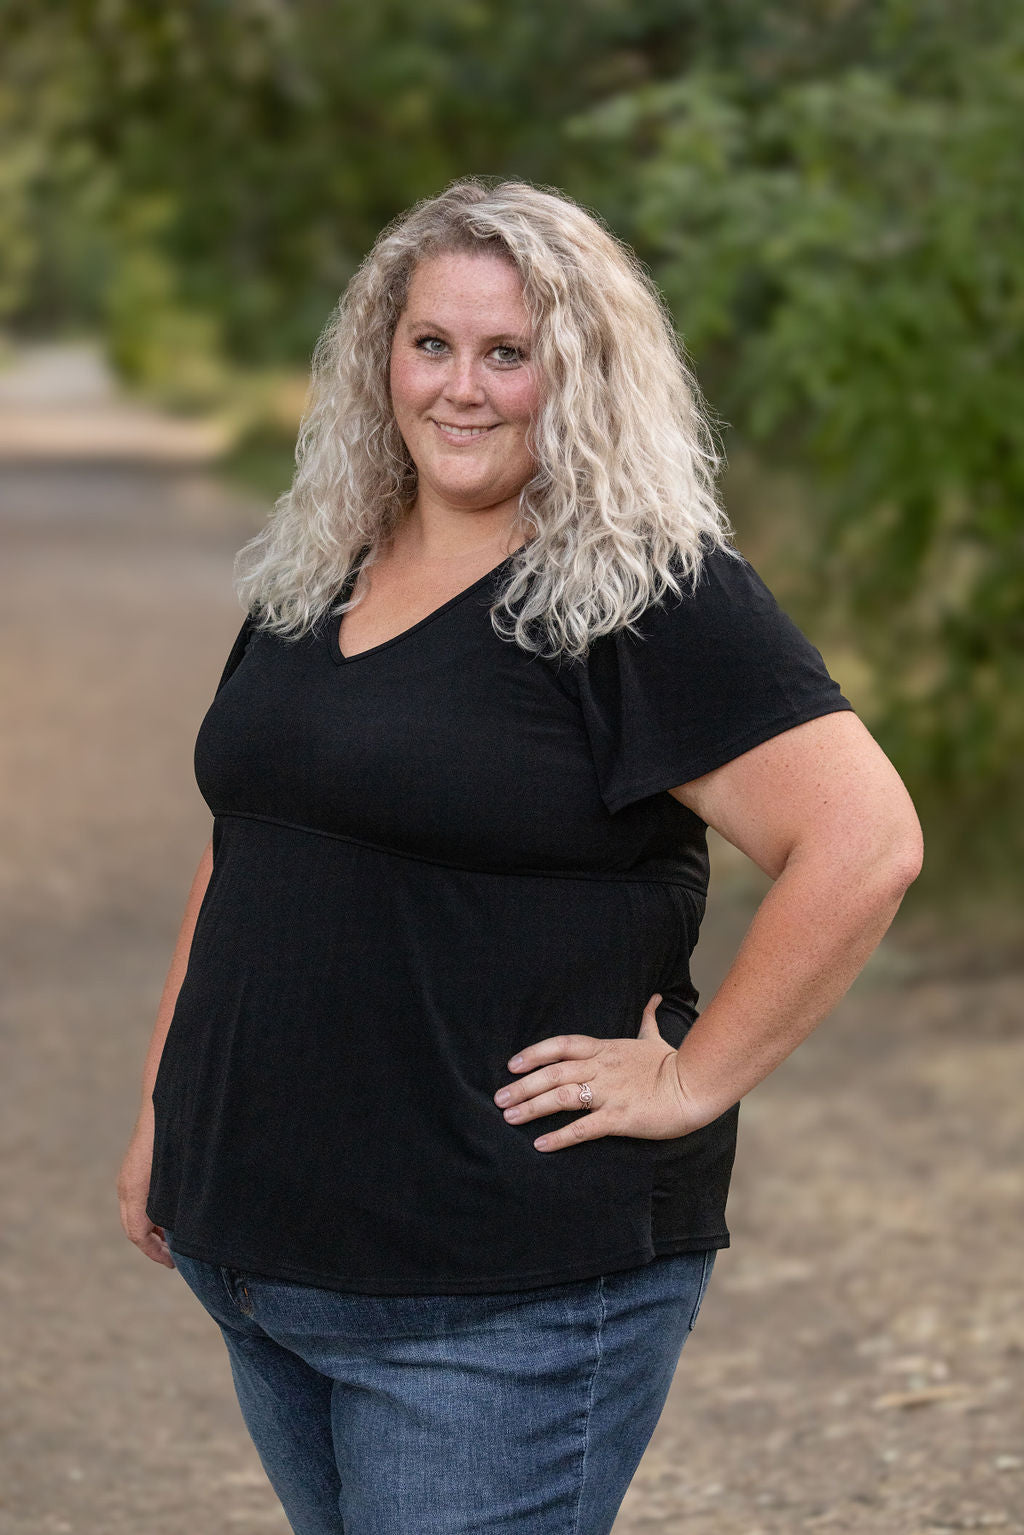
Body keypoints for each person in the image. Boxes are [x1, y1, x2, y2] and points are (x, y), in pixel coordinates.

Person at [116, 177, 923, 1535]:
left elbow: (865, 843)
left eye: (512, 352)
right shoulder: (325, 570)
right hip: (258, 1255)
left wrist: (691, 1074)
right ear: (384, 358)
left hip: (496, 1293)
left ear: (585, 371)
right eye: (432, 343)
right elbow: (247, 849)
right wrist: (164, 1110)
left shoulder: (647, 595)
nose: (464, 388)